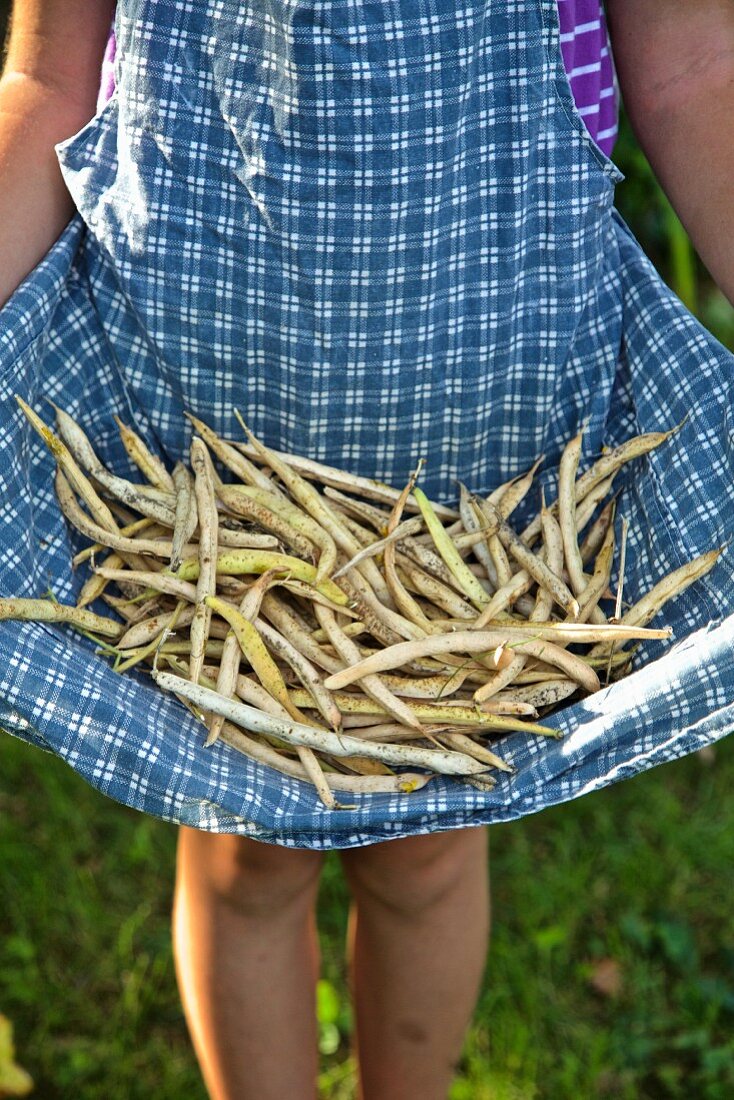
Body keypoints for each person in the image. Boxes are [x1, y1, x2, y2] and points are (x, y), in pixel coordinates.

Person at [1, 3, 733, 1099]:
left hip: (498, 509)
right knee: (243, 839)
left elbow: (693, 69)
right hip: (199, 486)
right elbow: (47, 80)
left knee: (430, 846)